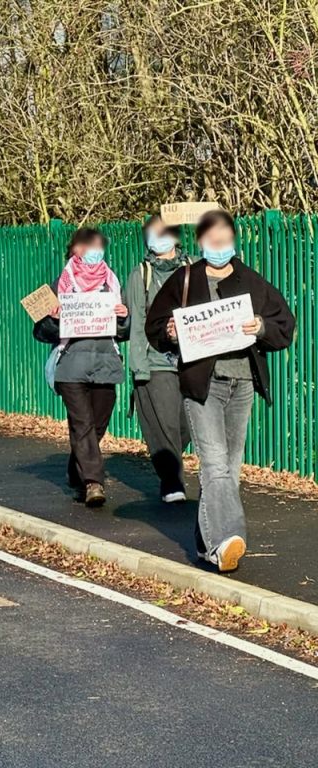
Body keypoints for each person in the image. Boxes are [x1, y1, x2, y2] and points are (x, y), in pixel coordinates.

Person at [146, 210, 295, 572]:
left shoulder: (251, 281)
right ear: (200, 241)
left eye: (223, 237)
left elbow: (284, 325)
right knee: (214, 464)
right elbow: (154, 325)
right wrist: (169, 332)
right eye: (211, 237)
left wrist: (260, 326)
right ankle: (229, 539)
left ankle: (205, 543)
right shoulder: (184, 279)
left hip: (242, 381)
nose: (218, 244)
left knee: (230, 466)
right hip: (203, 384)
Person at [34, 228, 130, 507]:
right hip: (71, 366)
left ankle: (76, 471)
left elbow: (124, 331)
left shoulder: (112, 284)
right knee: (83, 423)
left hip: (105, 364)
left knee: (98, 424)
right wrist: (53, 320)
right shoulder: (58, 286)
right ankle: (93, 482)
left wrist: (123, 318)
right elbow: (39, 331)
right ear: (74, 250)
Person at [123, 216, 194, 503]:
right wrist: (139, 367)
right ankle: (171, 480)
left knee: (186, 423)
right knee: (163, 421)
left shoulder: (194, 268)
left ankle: (171, 462)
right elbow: (135, 322)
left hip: (192, 359)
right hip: (155, 359)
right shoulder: (141, 275)